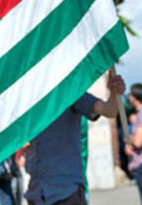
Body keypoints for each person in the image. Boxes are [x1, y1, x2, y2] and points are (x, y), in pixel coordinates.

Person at [24, 75, 125, 205]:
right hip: (36, 193)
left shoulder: (69, 92)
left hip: (65, 192)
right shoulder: (27, 100)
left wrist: (114, 93)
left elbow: (109, 110)